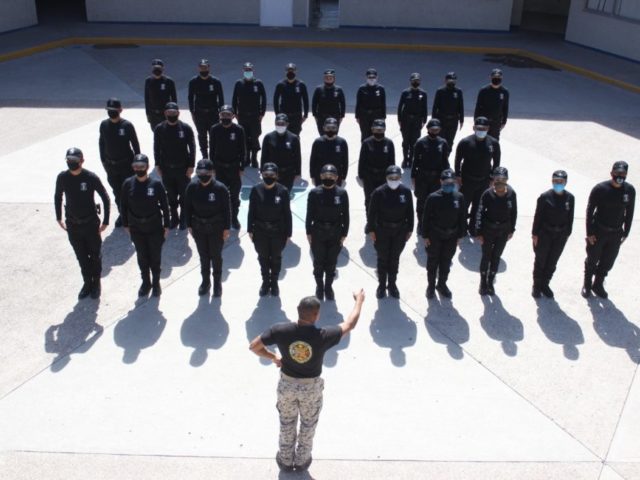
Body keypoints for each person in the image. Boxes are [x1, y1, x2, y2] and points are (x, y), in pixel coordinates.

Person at [249, 290, 365, 472]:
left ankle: (285, 461)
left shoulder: (279, 330)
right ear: (316, 315)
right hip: (310, 389)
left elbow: (254, 346)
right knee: (308, 424)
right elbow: (350, 324)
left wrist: (273, 357)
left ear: (298, 310)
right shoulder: (323, 335)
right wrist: (359, 301)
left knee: (287, 423)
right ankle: (302, 460)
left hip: (287, 386)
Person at [54, 147, 110, 299]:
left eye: (74, 160)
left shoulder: (90, 177)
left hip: (90, 224)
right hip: (73, 225)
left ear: (82, 161)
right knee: (82, 257)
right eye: (69, 160)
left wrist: (105, 221)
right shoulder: (62, 177)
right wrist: (59, 217)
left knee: (95, 255)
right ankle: (87, 283)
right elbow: (58, 196)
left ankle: (96, 283)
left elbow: (105, 197)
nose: (71, 162)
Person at [582, 161, 635, 299]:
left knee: (608, 261)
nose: (620, 176)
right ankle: (587, 284)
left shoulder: (629, 190)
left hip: (616, 233)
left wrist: (626, 232)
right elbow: (589, 211)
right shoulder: (600, 189)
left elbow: (630, 212)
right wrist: (589, 233)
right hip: (599, 230)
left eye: (623, 174)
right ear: (612, 173)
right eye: (617, 173)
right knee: (592, 259)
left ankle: (598, 284)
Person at [121, 154, 170, 297]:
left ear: (147, 167)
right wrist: (125, 224)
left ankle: (156, 283)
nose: (139, 169)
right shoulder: (128, 184)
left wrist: (166, 225)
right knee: (142, 257)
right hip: (136, 228)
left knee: (155, 257)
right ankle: (146, 282)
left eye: (141, 167)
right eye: (136, 167)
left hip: (154, 227)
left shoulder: (156, 184)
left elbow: (165, 206)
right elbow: (123, 206)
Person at [184, 159, 231, 297]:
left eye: (206, 172)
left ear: (212, 172)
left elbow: (227, 210)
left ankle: (217, 283)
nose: (203, 174)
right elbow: (187, 208)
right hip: (199, 228)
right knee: (204, 257)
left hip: (216, 228)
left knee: (216, 257)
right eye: (200, 172)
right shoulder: (192, 187)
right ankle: (206, 282)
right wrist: (189, 225)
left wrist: (226, 228)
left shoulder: (220, 189)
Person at [368, 165, 414, 299]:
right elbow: (371, 213)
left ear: (400, 177)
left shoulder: (406, 192)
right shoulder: (378, 192)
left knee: (394, 259)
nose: (394, 180)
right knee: (382, 259)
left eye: (396, 177)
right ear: (386, 178)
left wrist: (410, 229)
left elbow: (410, 212)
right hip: (382, 231)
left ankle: (392, 285)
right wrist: (371, 230)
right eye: (391, 178)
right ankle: (382, 285)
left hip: (399, 231)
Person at [305, 164, 350, 301]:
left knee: (331, 263)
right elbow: (309, 214)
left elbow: (346, 215)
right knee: (318, 263)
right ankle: (319, 286)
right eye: (325, 176)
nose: (328, 178)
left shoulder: (342, 193)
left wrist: (344, 234)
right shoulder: (314, 193)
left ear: (336, 178)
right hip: (318, 232)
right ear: (320, 176)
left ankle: (328, 287)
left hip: (335, 233)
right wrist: (308, 232)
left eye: (331, 176)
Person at [247, 163, 292, 297]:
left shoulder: (283, 191)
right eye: (266, 174)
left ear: (276, 175)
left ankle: (275, 282)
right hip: (260, 231)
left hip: (278, 231)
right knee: (263, 258)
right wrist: (250, 229)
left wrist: (288, 233)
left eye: (272, 175)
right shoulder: (256, 190)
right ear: (262, 174)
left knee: (276, 258)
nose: (269, 177)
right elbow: (251, 211)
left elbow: (287, 213)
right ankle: (265, 282)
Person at [422, 169, 466, 299]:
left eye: (452, 182)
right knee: (432, 263)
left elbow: (462, 217)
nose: (449, 184)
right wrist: (425, 236)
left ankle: (441, 284)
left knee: (446, 263)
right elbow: (425, 218)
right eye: (446, 182)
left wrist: (460, 236)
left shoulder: (459, 197)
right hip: (435, 235)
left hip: (452, 236)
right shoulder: (433, 198)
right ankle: (431, 286)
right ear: (441, 181)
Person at [531, 170, 575, 298]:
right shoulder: (545, 197)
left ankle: (545, 284)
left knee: (552, 262)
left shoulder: (570, 198)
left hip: (560, 235)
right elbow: (538, 216)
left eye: (561, 181)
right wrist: (535, 234)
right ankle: (536, 286)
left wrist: (567, 233)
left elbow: (570, 217)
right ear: (552, 181)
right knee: (540, 261)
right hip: (545, 234)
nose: (558, 183)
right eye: (556, 181)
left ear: (565, 182)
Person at [454, 116, 501, 235]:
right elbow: (458, 160)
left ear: (488, 128)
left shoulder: (493, 143)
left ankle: (473, 228)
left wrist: (492, 178)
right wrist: (458, 176)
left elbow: (496, 162)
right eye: (479, 128)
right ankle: (462, 228)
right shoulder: (465, 142)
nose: (481, 130)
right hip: (467, 180)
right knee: (464, 205)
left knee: (478, 206)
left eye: (484, 128)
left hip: (484, 180)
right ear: (474, 128)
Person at [153, 102, 196, 229]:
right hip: (167, 169)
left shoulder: (185, 128)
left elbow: (192, 147)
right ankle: (174, 217)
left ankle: (183, 218)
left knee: (184, 195)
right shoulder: (160, 128)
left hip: (183, 169)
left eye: (174, 112)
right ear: (165, 113)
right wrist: (157, 165)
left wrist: (191, 165)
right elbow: (156, 148)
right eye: (169, 112)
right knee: (171, 195)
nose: (171, 115)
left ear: (178, 113)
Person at [475, 166, 517, 296]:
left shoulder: (511, 194)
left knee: (496, 256)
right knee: (486, 256)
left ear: (507, 180)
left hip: (503, 231)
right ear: (493, 179)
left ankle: (490, 281)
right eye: (497, 179)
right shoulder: (487, 194)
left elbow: (514, 213)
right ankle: (483, 282)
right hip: (488, 230)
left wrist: (511, 230)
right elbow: (479, 213)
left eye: (503, 179)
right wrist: (478, 232)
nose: (500, 182)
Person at [98, 98, 140, 227]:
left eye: (114, 110)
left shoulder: (126, 126)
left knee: (129, 191)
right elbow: (101, 143)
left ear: (120, 110)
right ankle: (122, 214)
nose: (111, 112)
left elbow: (135, 145)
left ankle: (132, 214)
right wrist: (103, 161)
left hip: (126, 165)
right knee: (117, 192)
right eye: (109, 110)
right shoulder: (104, 125)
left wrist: (138, 163)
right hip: (111, 166)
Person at [209, 105, 246, 230]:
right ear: (219, 116)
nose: (225, 117)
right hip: (220, 168)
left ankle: (234, 218)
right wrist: (212, 167)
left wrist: (241, 167)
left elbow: (243, 150)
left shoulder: (238, 129)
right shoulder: (214, 129)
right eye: (223, 114)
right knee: (221, 194)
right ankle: (223, 217)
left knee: (234, 196)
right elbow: (212, 149)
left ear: (233, 116)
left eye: (228, 115)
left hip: (234, 168)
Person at [411, 118, 450, 235]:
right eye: (432, 129)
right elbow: (415, 161)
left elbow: (445, 161)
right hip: (422, 177)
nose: (434, 132)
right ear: (428, 129)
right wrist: (413, 177)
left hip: (437, 178)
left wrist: (447, 177)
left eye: (437, 130)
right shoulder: (420, 143)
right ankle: (421, 223)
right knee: (421, 202)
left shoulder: (443, 143)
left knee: (435, 201)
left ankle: (431, 223)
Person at [358, 119, 395, 229]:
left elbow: (392, 162)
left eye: (380, 130)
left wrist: (391, 177)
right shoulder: (366, 143)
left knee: (383, 200)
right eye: (376, 130)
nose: (378, 132)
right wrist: (361, 176)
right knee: (369, 200)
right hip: (369, 177)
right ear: (372, 130)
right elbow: (362, 160)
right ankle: (370, 222)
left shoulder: (389, 143)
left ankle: (380, 221)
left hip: (383, 177)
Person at [232, 62, 267, 168]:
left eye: (249, 70)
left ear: (253, 70)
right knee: (244, 137)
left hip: (255, 116)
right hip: (242, 116)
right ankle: (246, 157)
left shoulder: (258, 83)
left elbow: (264, 98)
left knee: (255, 137)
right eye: (246, 70)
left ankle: (254, 157)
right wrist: (235, 113)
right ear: (243, 71)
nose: (248, 71)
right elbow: (234, 99)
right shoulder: (239, 83)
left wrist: (262, 113)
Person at [188, 59, 224, 158]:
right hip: (199, 114)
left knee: (214, 135)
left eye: (205, 67)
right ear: (198, 68)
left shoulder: (216, 82)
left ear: (209, 68)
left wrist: (221, 113)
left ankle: (213, 156)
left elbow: (221, 98)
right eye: (202, 68)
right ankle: (204, 156)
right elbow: (190, 97)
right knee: (202, 135)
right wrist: (192, 112)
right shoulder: (193, 82)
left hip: (213, 113)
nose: (203, 69)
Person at [260, 114, 302, 192]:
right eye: (278, 123)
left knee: (285, 194)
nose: (280, 125)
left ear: (287, 124)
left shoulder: (294, 138)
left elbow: (297, 156)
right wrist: (262, 170)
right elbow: (264, 156)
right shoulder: (268, 137)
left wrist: (298, 173)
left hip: (288, 174)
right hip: (272, 173)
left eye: (282, 124)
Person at [397, 72, 428, 168]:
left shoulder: (423, 94)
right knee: (405, 141)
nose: (415, 82)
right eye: (414, 80)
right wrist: (399, 120)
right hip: (406, 120)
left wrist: (424, 120)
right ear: (410, 81)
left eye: (417, 81)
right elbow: (400, 107)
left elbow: (425, 108)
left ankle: (411, 160)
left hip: (417, 120)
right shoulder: (405, 93)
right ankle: (405, 159)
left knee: (414, 142)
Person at [309, 118, 349, 186]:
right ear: (323, 128)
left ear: (337, 128)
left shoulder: (342, 142)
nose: (330, 130)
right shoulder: (318, 142)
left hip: (336, 176)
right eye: (328, 128)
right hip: (320, 176)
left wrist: (343, 177)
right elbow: (313, 160)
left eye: (333, 128)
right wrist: (312, 176)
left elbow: (345, 161)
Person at [273, 63, 309, 136]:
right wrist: (277, 114)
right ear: (285, 72)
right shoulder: (280, 84)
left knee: (296, 136)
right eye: (288, 70)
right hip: (284, 115)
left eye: (292, 70)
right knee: (282, 135)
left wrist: (305, 115)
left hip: (297, 116)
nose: (290, 72)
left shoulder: (301, 85)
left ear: (296, 71)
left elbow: (306, 100)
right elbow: (275, 100)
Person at [431, 71, 464, 151]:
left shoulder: (458, 91)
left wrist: (461, 120)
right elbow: (435, 107)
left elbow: (461, 106)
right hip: (442, 119)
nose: (451, 82)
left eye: (453, 80)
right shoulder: (440, 91)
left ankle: (446, 156)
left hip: (453, 120)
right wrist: (433, 120)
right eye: (449, 80)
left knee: (450, 141)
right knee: (440, 140)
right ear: (445, 81)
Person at [474, 68, 509, 141]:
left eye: (498, 77)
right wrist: (476, 120)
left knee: (494, 142)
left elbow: (505, 107)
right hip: (483, 122)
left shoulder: (505, 92)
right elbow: (478, 107)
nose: (496, 79)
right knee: (481, 141)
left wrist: (504, 122)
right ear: (490, 77)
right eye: (494, 77)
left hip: (496, 123)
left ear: (501, 78)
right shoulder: (483, 90)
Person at [144, 59, 177, 131]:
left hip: (165, 114)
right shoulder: (148, 81)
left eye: (158, 68)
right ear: (152, 69)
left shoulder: (169, 81)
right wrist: (148, 114)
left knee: (167, 133)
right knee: (156, 133)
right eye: (155, 68)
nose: (157, 70)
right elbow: (146, 99)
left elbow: (174, 99)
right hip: (153, 114)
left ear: (163, 68)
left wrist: (174, 113)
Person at [355, 68, 386, 143]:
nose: (372, 79)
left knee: (377, 134)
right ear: (366, 77)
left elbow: (383, 103)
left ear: (377, 77)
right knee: (365, 135)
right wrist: (357, 116)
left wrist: (383, 117)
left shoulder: (381, 89)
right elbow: (358, 103)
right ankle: (364, 149)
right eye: (370, 77)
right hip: (364, 115)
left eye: (373, 77)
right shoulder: (362, 89)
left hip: (377, 115)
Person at [311, 69, 346, 135]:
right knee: (322, 135)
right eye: (327, 77)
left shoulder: (339, 89)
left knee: (333, 136)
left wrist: (342, 116)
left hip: (335, 117)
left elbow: (343, 103)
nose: (328, 79)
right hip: (322, 117)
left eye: (330, 77)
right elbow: (314, 103)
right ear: (324, 79)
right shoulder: (318, 89)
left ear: (334, 79)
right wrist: (315, 115)